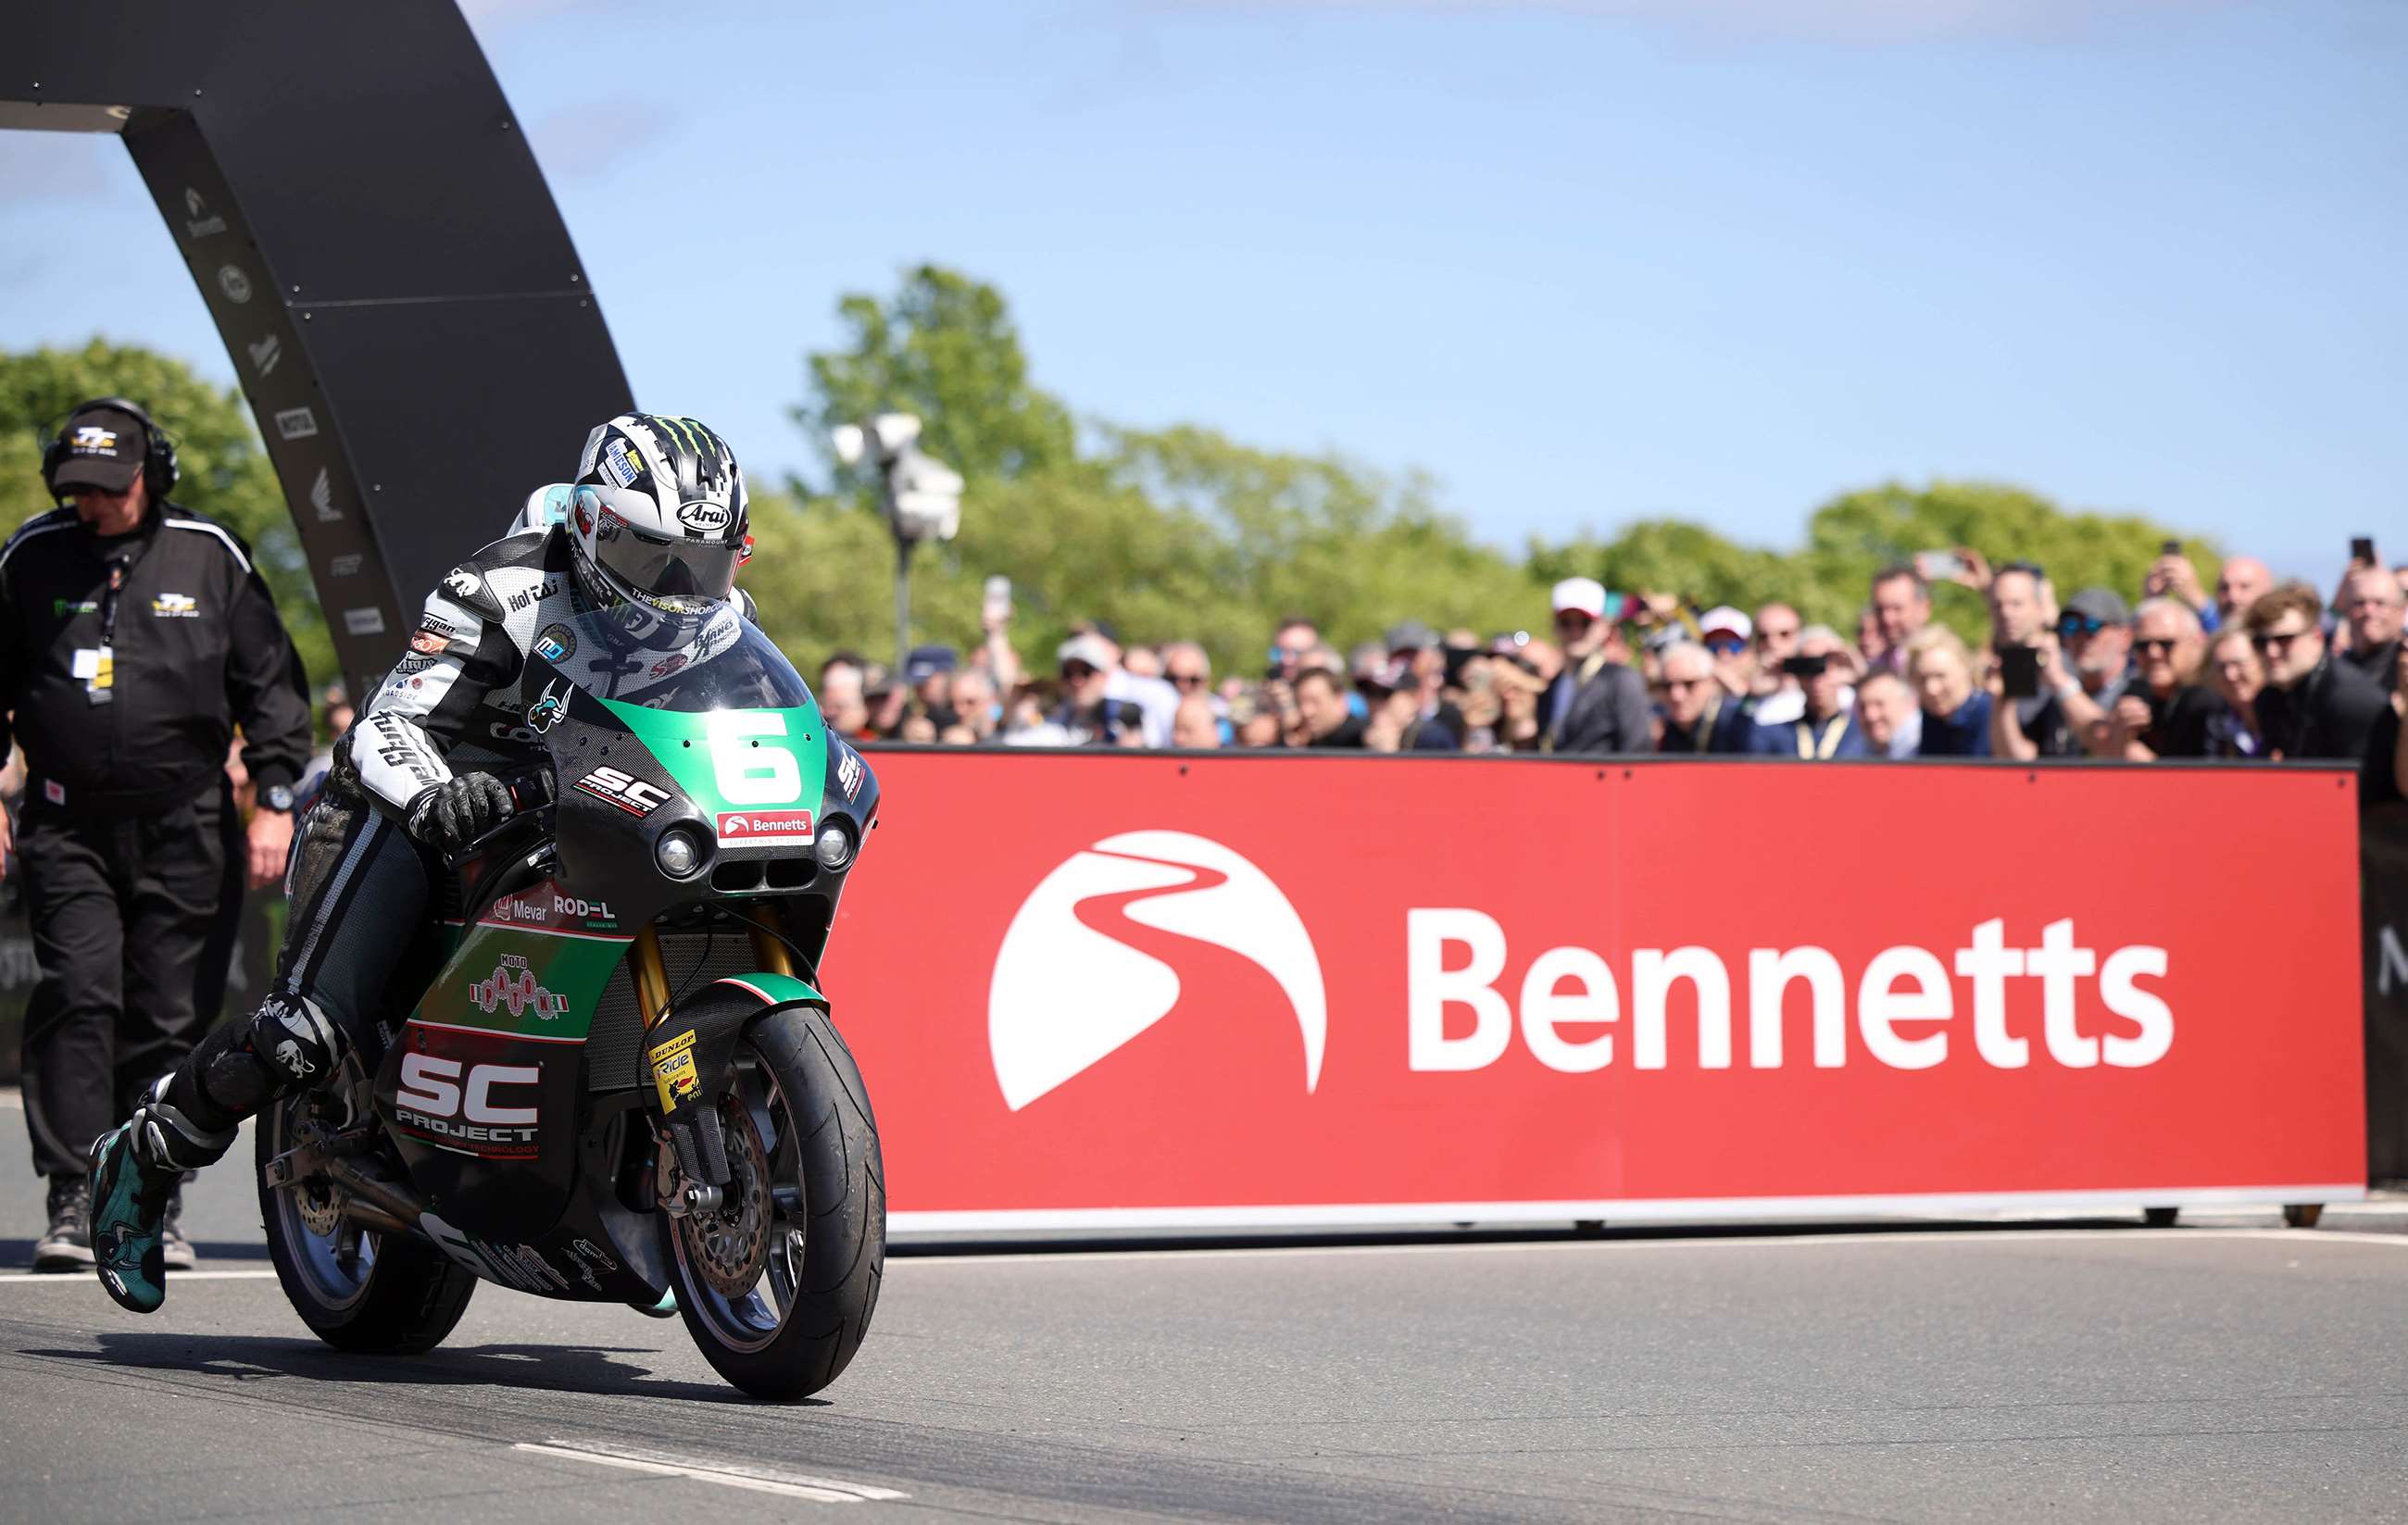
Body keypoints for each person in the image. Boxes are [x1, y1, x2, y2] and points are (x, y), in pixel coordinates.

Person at [81, 412, 750, 1313]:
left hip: (573, 811)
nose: (676, 586)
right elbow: (388, 723)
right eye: (650, 555)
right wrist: (439, 795)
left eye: (701, 563)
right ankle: (147, 1150)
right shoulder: (503, 586)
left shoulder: (718, 615)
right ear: (593, 526)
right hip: (415, 807)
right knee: (304, 1035)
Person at [4, 398, 312, 1274]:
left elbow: (273, 689)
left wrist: (275, 799)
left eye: (109, 487)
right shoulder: (31, 555)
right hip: (66, 822)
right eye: (76, 489)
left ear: (152, 474)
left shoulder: (210, 556)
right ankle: (72, 1195)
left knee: (168, 1014)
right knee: (77, 992)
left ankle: (149, 1192)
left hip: (188, 825)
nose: (91, 504)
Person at [2246, 580, 2389, 762]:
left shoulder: (2352, 701)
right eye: (2260, 643)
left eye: (2284, 639)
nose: (2271, 651)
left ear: (2317, 638)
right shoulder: (2268, 699)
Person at [1993, 588, 2128, 760]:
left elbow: (2105, 741)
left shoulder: (2135, 691)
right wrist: (2002, 700)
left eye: (2092, 626)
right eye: (2071, 626)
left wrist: (2059, 681)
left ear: (2125, 637)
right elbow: (2020, 760)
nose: (2080, 637)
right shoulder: (2056, 698)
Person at [1542, 578, 1653, 755]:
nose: (1575, 631)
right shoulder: (1554, 685)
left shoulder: (1621, 680)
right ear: (1554, 626)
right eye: (1566, 622)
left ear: (1603, 627)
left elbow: (1638, 750)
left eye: (1584, 623)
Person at [2107, 599, 2224, 760]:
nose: (2153, 653)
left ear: (2197, 643)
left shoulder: (2212, 701)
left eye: (2166, 644)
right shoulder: (2134, 695)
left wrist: (2144, 761)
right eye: (2143, 645)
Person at [1748, 628, 1865, 759]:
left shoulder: (1863, 732)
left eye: (1825, 664)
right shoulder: (1779, 734)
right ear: (1796, 673)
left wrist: (1862, 677)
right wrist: (1751, 697)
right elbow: (1741, 742)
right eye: (1807, 666)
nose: (1816, 678)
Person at [1655, 642, 1753, 755]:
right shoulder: (1659, 730)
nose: (1676, 696)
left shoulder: (1734, 725)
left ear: (1710, 683)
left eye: (1689, 684)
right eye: (1667, 686)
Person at [1905, 629, 1991, 756]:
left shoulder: (1989, 713)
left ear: (1965, 669)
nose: (1931, 689)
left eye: (1940, 676)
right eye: (1922, 679)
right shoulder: (1932, 718)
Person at [2201, 627, 2268, 759]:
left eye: (2239, 664)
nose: (2230, 675)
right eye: (2221, 667)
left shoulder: (2287, 718)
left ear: (2262, 661)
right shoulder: (2216, 723)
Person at [2338, 566, 2403, 686]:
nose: (2368, 611)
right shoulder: (2335, 671)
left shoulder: (2403, 666)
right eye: (2359, 603)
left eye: (2380, 603)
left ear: (2401, 611)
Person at [1867, 565, 1931, 675]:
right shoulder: (1876, 666)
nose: (1887, 619)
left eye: (1897, 609)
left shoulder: (1941, 663)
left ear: (1924, 608)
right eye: (1880, 609)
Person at [1853, 670, 1922, 759]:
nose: (1870, 716)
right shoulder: (1855, 750)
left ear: (1908, 704)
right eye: (1862, 707)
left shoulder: (1929, 744)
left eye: (1879, 704)